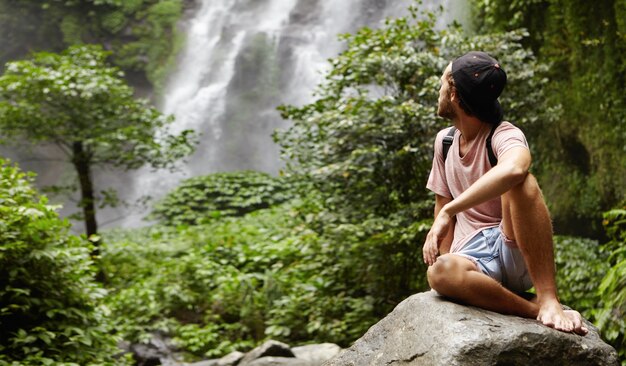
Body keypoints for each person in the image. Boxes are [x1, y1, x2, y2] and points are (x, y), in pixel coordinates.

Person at [423, 51, 587, 335]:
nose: (437, 90)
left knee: (523, 182)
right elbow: (442, 204)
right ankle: (535, 308)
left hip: (513, 248)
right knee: (439, 272)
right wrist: (445, 259)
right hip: (472, 257)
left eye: (441, 84)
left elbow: (514, 168)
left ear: (453, 94)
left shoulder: (504, 134)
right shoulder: (445, 142)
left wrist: (450, 212)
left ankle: (549, 297)